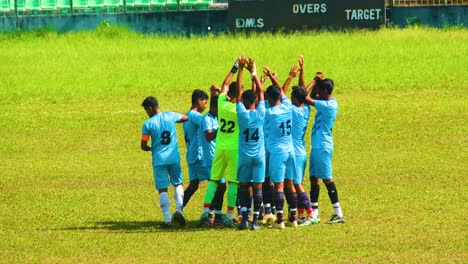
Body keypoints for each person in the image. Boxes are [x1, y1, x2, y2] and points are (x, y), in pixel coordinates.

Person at [200, 58, 241, 227]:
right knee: (233, 182)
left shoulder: (222, 104)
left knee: (214, 180)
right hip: (234, 149)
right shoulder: (239, 109)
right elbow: (238, 91)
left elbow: (225, 84)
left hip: (220, 147)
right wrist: (245, 71)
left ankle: (205, 211)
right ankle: (230, 214)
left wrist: (235, 68)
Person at [140, 96, 188, 227]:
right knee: (178, 183)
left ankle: (167, 220)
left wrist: (151, 148)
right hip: (173, 157)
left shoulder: (148, 124)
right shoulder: (170, 116)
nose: (146, 113)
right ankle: (178, 210)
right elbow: (185, 118)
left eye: (146, 110)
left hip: (159, 159)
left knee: (162, 189)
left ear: (150, 108)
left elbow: (143, 145)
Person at [263, 66, 298, 229]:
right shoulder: (288, 106)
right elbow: (282, 92)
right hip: (291, 150)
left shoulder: (270, 113)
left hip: (277, 152)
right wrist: (271, 76)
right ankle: (294, 218)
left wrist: (258, 79)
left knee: (278, 185)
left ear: (269, 97)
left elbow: (260, 104)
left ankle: (280, 220)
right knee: (290, 184)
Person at [308, 78, 345, 224]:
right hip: (318, 145)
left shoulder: (328, 106)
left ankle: (338, 213)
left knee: (327, 179)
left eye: (319, 90)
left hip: (322, 146)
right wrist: (317, 84)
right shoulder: (328, 101)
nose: (317, 93)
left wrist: (313, 81)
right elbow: (314, 96)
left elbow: (306, 98)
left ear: (324, 91)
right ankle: (314, 213)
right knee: (314, 178)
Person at [235, 57, 266, 231]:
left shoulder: (242, 114)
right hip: (259, 157)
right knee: (258, 187)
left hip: (245, 157)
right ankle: (255, 222)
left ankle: (245, 219)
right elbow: (261, 92)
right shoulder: (261, 113)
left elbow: (238, 93)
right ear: (255, 102)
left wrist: (240, 69)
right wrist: (253, 72)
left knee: (244, 186)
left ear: (244, 103)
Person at [200, 87, 227, 226]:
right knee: (219, 185)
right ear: (214, 107)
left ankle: (213, 215)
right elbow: (209, 136)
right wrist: (220, 129)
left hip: (219, 157)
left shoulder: (218, 117)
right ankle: (211, 216)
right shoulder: (207, 119)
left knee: (220, 187)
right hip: (211, 158)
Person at [182, 89, 210, 208]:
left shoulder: (187, 115)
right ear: (199, 101)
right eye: (205, 102)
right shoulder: (195, 116)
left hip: (191, 156)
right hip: (199, 156)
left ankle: (178, 210)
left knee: (193, 185)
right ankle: (209, 215)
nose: (206, 105)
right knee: (217, 183)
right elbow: (208, 123)